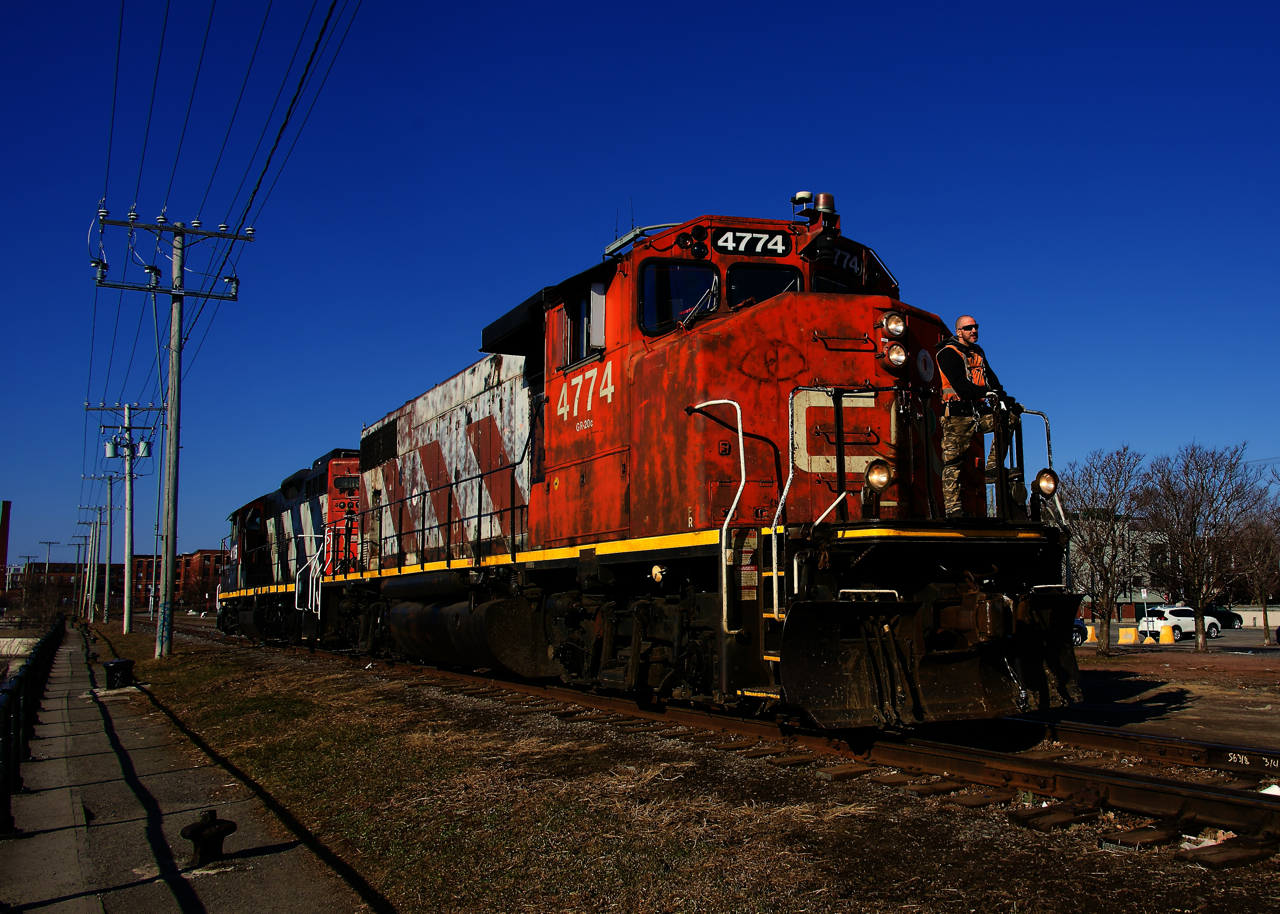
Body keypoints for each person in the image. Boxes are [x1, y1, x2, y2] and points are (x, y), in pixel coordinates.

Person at [936, 315, 1019, 518]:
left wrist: (1005, 399)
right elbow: (959, 384)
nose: (974, 331)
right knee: (953, 462)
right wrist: (984, 394)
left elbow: (991, 379)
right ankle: (953, 508)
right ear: (959, 331)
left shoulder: (978, 353)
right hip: (956, 415)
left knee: (1009, 418)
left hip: (977, 412)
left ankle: (993, 467)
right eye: (969, 328)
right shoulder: (946, 354)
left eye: (976, 327)